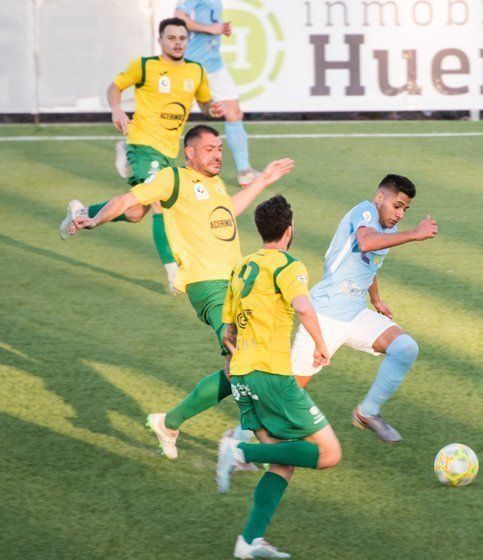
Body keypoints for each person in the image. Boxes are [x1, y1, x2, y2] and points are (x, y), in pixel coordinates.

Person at [69, 124, 295, 463]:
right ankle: (263, 448)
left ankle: (169, 423)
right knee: (245, 353)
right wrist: (96, 218)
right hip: (208, 286)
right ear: (189, 152)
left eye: (220, 148)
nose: (218, 154)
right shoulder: (172, 179)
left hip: (235, 287)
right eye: (209, 149)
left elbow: (227, 212)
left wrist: (263, 179)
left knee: (236, 367)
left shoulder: (214, 184)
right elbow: (128, 201)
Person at [59, 17, 225, 292]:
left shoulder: (196, 71)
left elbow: (205, 104)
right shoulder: (146, 66)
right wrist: (116, 109)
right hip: (144, 143)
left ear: (187, 41)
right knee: (161, 203)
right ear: (160, 41)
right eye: (171, 38)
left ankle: (82, 213)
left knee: (136, 212)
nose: (177, 43)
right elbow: (114, 87)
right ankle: (174, 275)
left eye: (182, 38)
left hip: (170, 150)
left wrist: (212, 110)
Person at [217, 194, 341, 559]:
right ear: (289, 231)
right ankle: (239, 450)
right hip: (272, 376)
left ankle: (248, 542)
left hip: (241, 376)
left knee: (283, 462)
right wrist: (321, 344)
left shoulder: (242, 267)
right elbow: (302, 305)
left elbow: (228, 331)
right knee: (328, 453)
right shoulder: (289, 265)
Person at [288, 174, 437, 444]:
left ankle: (367, 413)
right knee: (288, 392)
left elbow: (369, 265)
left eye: (405, 209)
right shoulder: (364, 211)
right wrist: (415, 234)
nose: (401, 214)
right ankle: (240, 441)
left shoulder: (387, 229)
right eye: (397, 205)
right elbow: (367, 242)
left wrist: (376, 300)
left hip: (355, 314)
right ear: (380, 198)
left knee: (405, 348)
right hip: (324, 316)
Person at [174, 0, 259, 186]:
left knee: (234, 113)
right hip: (191, 65)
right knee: (173, 117)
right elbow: (178, 18)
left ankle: (244, 171)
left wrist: (219, 29)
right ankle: (131, 147)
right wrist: (210, 28)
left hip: (215, 65)